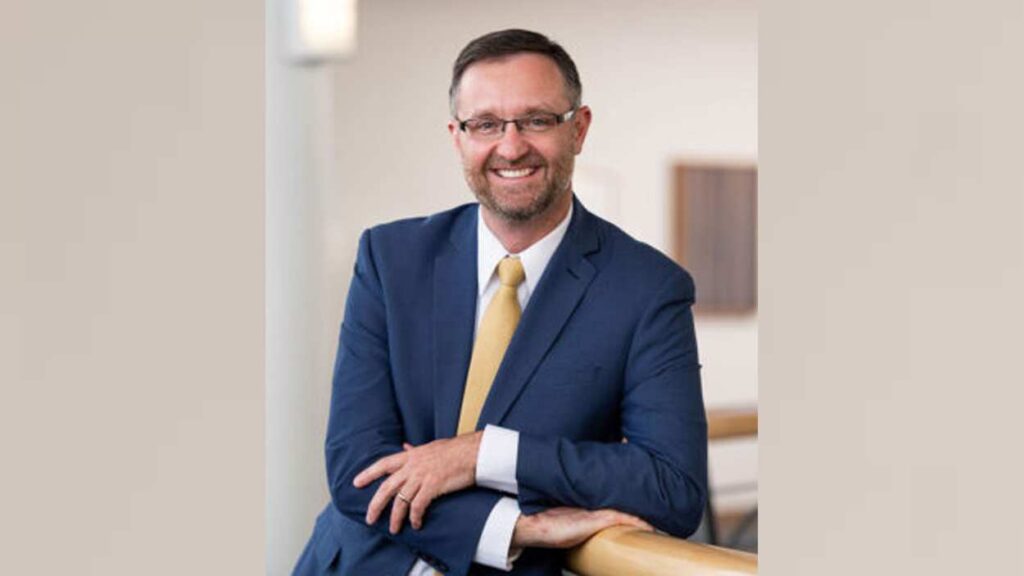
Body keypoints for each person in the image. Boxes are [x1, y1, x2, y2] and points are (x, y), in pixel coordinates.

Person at [293, 29, 707, 576]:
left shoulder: (649, 288)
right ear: (457, 137)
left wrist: (483, 453)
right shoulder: (390, 259)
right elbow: (357, 469)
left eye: (537, 120)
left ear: (578, 129)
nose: (510, 147)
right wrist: (514, 528)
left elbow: (671, 486)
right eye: (485, 124)